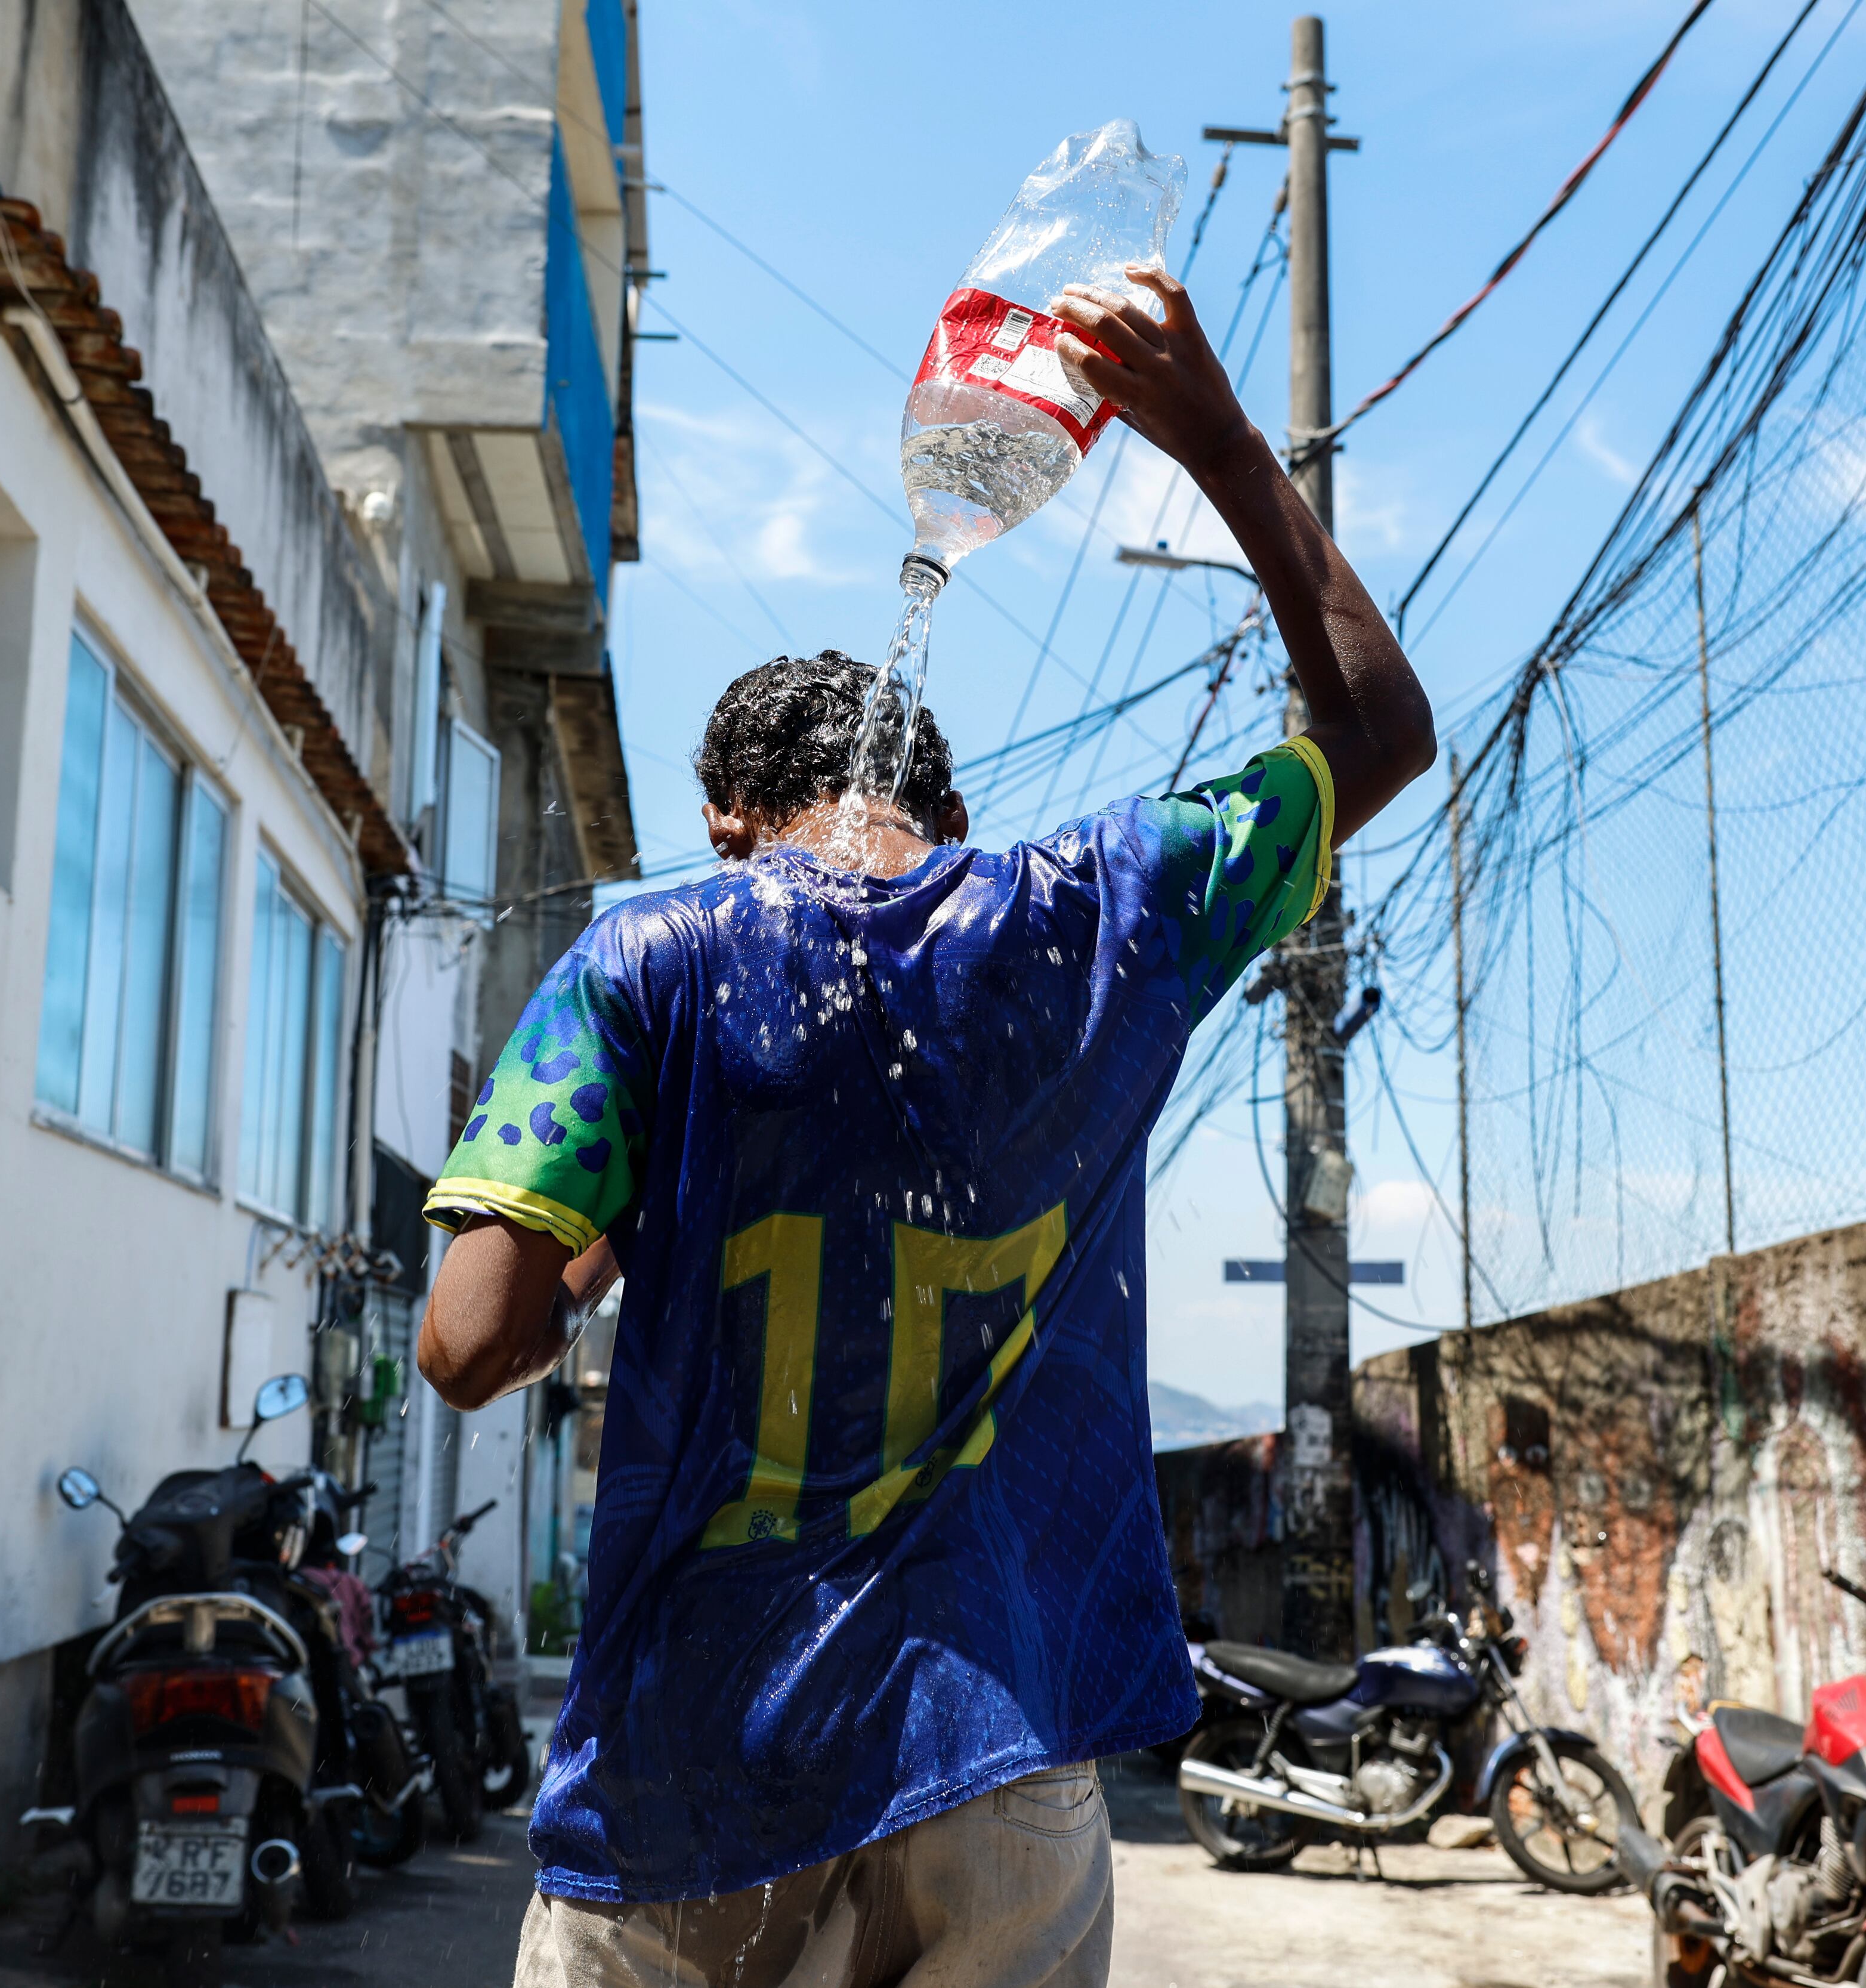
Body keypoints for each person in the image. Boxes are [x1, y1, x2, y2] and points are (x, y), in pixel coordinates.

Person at [417, 264, 1434, 1987]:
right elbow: (1378, 731)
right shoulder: (1101, 919)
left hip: (693, 1759)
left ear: (729, 818)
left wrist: (620, 1232)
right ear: (947, 807)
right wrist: (1210, 434)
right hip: (999, 1755)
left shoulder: (652, 962)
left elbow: (469, 1342)